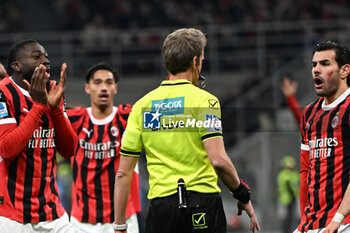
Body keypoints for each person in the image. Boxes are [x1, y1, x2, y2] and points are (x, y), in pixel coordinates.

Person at [113, 28, 260, 233]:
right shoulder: (204, 101)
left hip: (160, 209)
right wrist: (242, 194)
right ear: (194, 62)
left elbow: (122, 173)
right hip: (202, 205)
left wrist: (120, 225)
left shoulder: (141, 106)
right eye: (201, 60)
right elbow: (218, 160)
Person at [0, 39, 77, 233]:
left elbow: (69, 150)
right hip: (12, 214)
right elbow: (7, 149)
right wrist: (40, 107)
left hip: (52, 212)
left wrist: (56, 110)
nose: (45, 60)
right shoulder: (3, 93)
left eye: (46, 57)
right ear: (16, 66)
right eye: (37, 57)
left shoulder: (52, 89)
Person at [66, 62, 141, 233]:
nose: (104, 87)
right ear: (87, 87)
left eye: (109, 82)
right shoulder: (74, 119)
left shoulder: (128, 117)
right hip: (82, 221)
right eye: (98, 82)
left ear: (115, 88)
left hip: (122, 218)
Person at [295, 41, 350, 233]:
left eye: (325, 64)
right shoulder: (309, 113)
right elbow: (305, 171)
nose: (316, 70)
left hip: (344, 221)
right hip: (313, 223)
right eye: (314, 65)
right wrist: (303, 220)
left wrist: (338, 219)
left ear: (344, 71)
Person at [277, 156, 299, 233]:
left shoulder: (295, 174)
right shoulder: (283, 175)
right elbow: (286, 186)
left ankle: (292, 230)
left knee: (294, 217)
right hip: (285, 199)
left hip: (294, 198)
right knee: (286, 218)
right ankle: (285, 231)